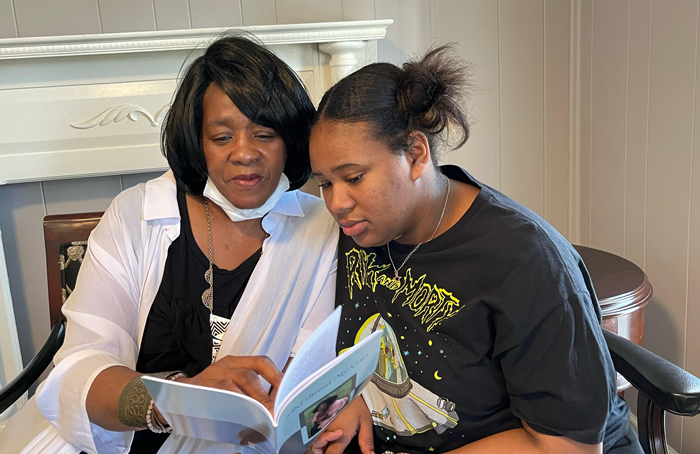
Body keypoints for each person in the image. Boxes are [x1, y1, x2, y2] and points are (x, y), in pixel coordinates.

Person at [2, 35, 338, 454]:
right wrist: (178, 402)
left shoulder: (323, 229)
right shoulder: (134, 215)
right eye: (221, 137)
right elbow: (79, 368)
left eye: (265, 134)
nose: (244, 153)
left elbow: (307, 379)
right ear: (196, 143)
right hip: (121, 440)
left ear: (291, 140)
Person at [308, 45, 642, 454]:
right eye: (324, 183)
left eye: (354, 177)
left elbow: (566, 448)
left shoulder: (525, 262)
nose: (336, 202)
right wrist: (351, 396)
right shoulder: (360, 229)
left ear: (416, 153)